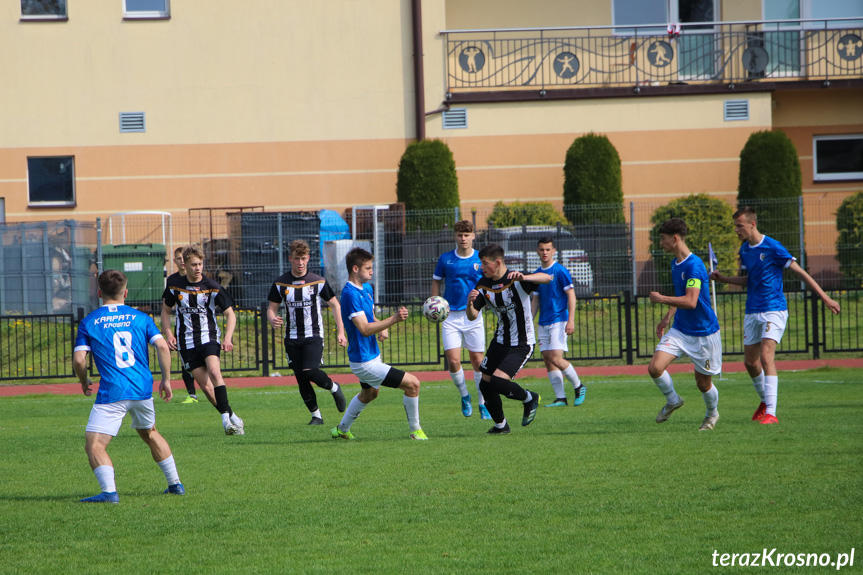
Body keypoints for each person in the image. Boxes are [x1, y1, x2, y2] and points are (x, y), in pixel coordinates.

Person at [710, 206, 841, 424]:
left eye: (739, 225)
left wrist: (825, 298)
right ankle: (765, 402)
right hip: (752, 310)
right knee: (750, 363)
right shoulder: (745, 250)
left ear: (753, 224)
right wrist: (724, 279)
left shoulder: (773, 247)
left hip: (774, 309)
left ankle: (771, 413)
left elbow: (801, 273)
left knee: (766, 356)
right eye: (735, 226)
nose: (736, 229)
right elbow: (750, 280)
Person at [73, 270, 184, 503]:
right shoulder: (141, 318)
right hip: (142, 389)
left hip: (113, 392)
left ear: (99, 292)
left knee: (94, 445)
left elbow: (79, 360)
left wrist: (84, 381)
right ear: (126, 292)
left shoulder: (89, 322)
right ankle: (175, 485)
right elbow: (163, 347)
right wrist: (166, 380)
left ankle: (109, 493)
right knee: (150, 433)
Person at [332, 247, 427, 440]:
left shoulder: (366, 289)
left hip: (372, 355)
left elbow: (370, 317)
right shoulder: (349, 294)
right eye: (368, 268)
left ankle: (341, 430)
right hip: (364, 362)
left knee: (370, 394)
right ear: (355, 269)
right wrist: (393, 320)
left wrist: (381, 326)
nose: (372, 271)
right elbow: (364, 329)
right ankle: (415, 431)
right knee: (413, 384)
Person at [466, 244, 551, 434]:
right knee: (485, 384)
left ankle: (529, 398)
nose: (482, 267)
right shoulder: (483, 284)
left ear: (497, 263)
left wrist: (525, 277)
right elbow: (472, 315)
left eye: (485, 263)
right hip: (500, 341)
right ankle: (501, 426)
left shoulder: (516, 279)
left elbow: (547, 278)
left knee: (496, 382)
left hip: (521, 343)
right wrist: (469, 303)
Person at [161, 245, 245, 435]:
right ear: (185, 264)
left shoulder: (212, 287)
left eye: (200, 264)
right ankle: (233, 417)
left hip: (209, 337)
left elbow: (230, 314)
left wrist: (228, 338)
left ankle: (225, 422)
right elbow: (165, 311)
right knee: (206, 388)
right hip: (186, 342)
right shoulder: (174, 285)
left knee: (215, 372)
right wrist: (169, 334)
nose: (198, 268)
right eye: (193, 264)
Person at [648, 218, 721, 431]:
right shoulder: (675, 263)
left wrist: (661, 298)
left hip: (704, 333)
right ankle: (673, 400)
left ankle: (711, 414)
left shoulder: (694, 266)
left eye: (662, 239)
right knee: (655, 367)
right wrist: (667, 317)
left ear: (675, 238)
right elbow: (681, 297)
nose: (660, 243)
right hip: (680, 330)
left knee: (703, 383)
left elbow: (690, 301)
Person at [267, 239, 348, 425]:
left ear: (308, 258)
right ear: (290, 259)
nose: (300, 262)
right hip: (292, 338)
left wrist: (341, 332)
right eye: (297, 258)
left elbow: (335, 305)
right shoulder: (281, 283)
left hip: (313, 336)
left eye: (303, 258)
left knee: (310, 371)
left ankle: (334, 387)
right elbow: (271, 308)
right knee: (301, 378)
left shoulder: (317, 281)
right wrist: (272, 318)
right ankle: (316, 416)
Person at [431, 219, 489, 419]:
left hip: (474, 316)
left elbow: (487, 283)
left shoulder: (481, 260)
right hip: (450, 316)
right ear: (455, 236)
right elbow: (436, 282)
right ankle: (465, 396)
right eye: (460, 235)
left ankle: (483, 403)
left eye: (467, 235)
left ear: (473, 236)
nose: (463, 238)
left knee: (477, 361)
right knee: (453, 361)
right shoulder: (446, 259)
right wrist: (434, 305)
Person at [531, 236, 585, 407]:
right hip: (543, 322)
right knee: (548, 359)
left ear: (554, 251)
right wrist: (528, 321)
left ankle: (579, 386)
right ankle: (560, 397)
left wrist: (571, 320)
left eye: (548, 249)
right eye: (542, 249)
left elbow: (571, 295)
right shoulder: (537, 274)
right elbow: (535, 301)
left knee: (555, 357)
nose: (545, 252)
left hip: (559, 320)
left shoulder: (560, 271)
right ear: (537, 251)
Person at [168, 246, 213, 405]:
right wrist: (169, 333)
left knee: (210, 365)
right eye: (179, 259)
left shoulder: (204, 281)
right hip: (183, 328)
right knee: (186, 362)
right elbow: (167, 307)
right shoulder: (173, 281)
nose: (181, 261)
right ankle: (192, 393)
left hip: (204, 331)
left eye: (183, 258)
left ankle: (215, 391)